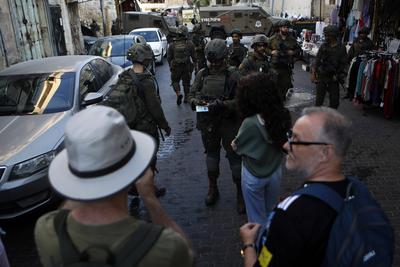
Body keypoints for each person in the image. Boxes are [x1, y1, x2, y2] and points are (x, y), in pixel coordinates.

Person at [34, 106, 193, 267]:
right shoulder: (164, 248)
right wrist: (149, 197)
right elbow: (188, 255)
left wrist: (80, 176)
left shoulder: (47, 230)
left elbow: (67, 207)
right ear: (134, 170)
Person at [240, 106, 353, 267]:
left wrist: (249, 244)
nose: (286, 145)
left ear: (325, 153)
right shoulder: (357, 191)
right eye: (290, 135)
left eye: (296, 139)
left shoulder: (288, 218)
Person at [104, 43, 171, 202]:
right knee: (150, 158)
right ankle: (148, 188)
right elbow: (154, 107)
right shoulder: (146, 81)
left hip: (129, 126)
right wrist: (165, 126)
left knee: (135, 157)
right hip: (146, 127)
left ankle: (135, 185)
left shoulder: (124, 76)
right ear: (145, 60)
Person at [188, 39, 245, 214]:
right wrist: (195, 102)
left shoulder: (233, 75)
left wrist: (225, 105)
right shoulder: (202, 74)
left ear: (225, 58)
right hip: (208, 123)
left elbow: (243, 100)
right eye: (211, 61)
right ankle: (213, 187)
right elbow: (190, 94)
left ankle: (240, 194)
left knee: (235, 159)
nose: (214, 65)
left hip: (229, 122)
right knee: (211, 157)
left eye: (217, 62)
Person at [231, 72, 291, 224]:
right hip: (275, 170)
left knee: (255, 216)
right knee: (271, 209)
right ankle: (271, 238)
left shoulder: (250, 123)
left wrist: (234, 143)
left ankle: (258, 244)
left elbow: (237, 146)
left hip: (253, 173)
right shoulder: (282, 115)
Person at [311, 25, 348, 109]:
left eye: (328, 35)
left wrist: (339, 75)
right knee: (319, 100)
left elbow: (344, 64)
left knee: (334, 101)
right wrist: (313, 73)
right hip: (322, 76)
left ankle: (330, 116)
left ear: (334, 36)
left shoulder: (341, 48)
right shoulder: (323, 46)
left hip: (333, 77)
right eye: (325, 35)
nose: (326, 37)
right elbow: (317, 60)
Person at [267, 20, 301, 101]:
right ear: (280, 28)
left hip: (286, 66)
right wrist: (271, 52)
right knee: (274, 85)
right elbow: (265, 48)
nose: (286, 29)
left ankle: (283, 102)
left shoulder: (292, 39)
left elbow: (298, 50)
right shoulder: (272, 39)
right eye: (284, 27)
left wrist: (292, 52)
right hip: (275, 66)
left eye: (287, 28)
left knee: (286, 86)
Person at [167, 25, 197, 105]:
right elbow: (194, 57)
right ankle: (187, 97)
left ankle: (178, 93)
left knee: (175, 81)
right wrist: (194, 65)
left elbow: (169, 57)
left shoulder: (172, 44)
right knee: (186, 83)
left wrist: (170, 65)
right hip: (186, 66)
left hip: (176, 67)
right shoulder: (189, 43)